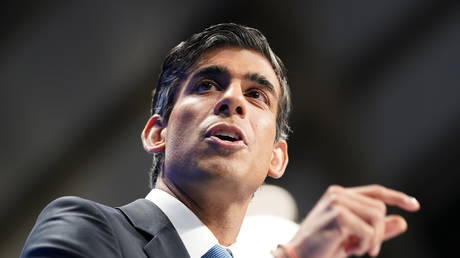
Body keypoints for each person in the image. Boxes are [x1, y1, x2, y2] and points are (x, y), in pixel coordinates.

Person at [21, 23, 420, 258]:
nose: (232, 100)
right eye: (208, 85)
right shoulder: (88, 227)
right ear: (157, 132)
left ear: (277, 159)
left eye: (256, 95)